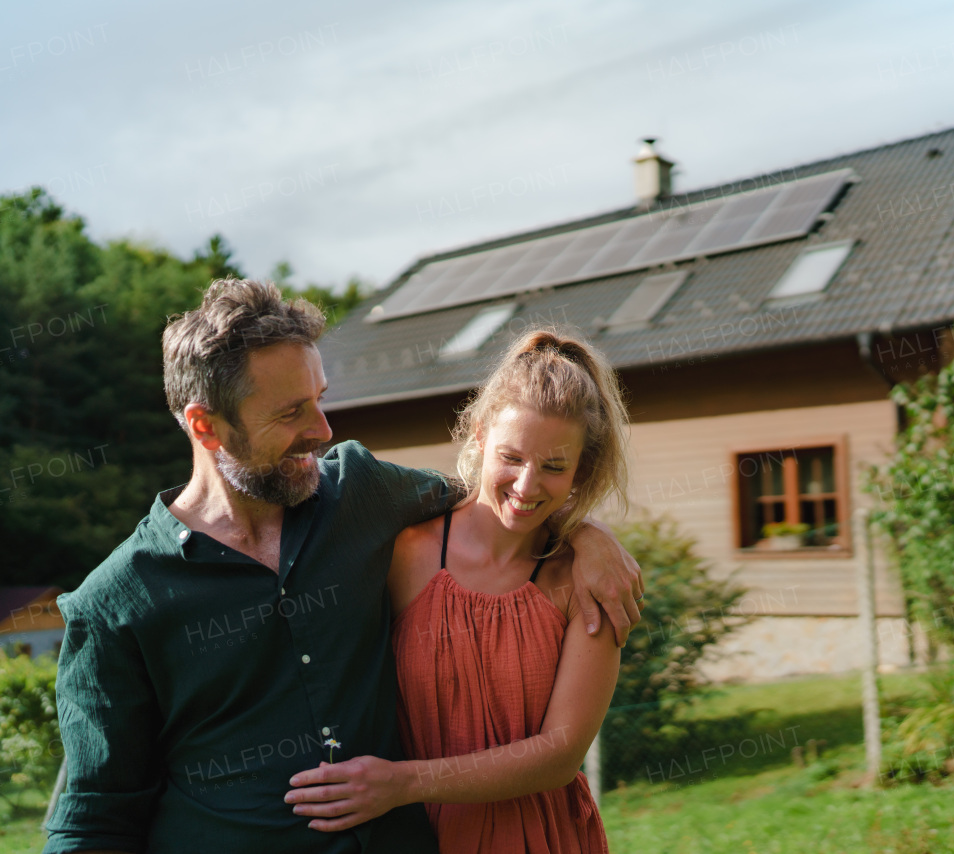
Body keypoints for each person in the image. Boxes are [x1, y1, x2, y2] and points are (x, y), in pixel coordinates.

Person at [44, 281, 642, 854]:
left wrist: (586, 534)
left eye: (320, 400)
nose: (323, 431)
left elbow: (495, 499)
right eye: (291, 413)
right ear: (206, 425)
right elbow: (94, 818)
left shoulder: (361, 493)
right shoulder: (114, 604)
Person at [286, 330, 632, 852]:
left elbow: (560, 755)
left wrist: (402, 783)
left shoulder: (587, 582)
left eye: (555, 467)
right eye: (511, 457)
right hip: (411, 835)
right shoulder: (406, 553)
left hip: (540, 838)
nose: (526, 486)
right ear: (478, 435)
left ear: (581, 469)